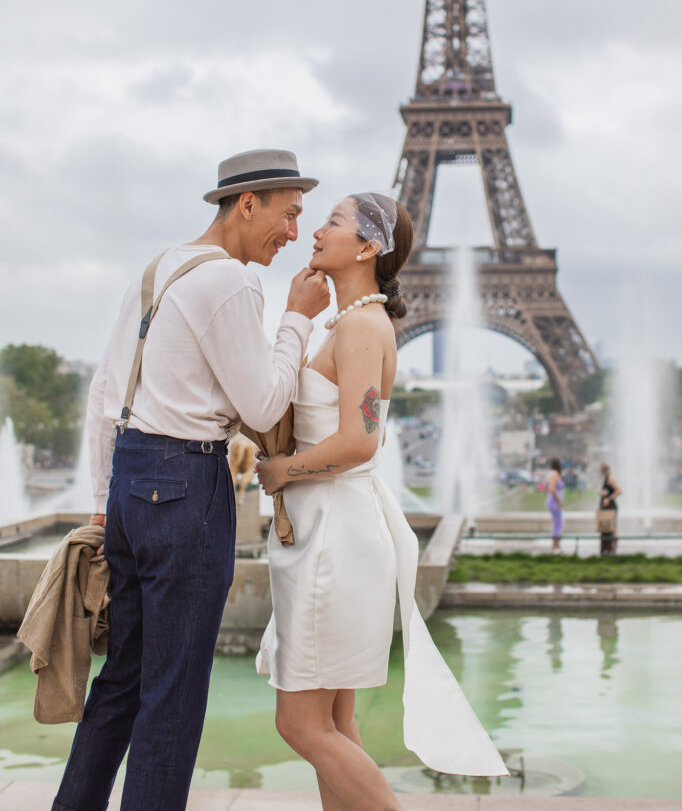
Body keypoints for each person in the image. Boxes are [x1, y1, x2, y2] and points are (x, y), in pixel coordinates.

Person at [51, 149, 330, 811]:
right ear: (248, 203)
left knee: (120, 681)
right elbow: (263, 406)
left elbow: (103, 395)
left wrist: (99, 504)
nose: (293, 233)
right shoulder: (232, 282)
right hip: (186, 490)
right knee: (172, 697)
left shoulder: (159, 269)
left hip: (130, 481)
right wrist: (297, 318)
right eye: (288, 215)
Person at [256, 193, 508, 811]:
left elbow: (363, 440)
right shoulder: (351, 323)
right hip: (334, 529)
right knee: (335, 720)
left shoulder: (363, 327)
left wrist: (283, 469)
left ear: (368, 247)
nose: (316, 229)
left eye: (333, 222)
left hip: (333, 537)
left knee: (301, 724)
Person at [598, 460, 622, 555]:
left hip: (610, 506)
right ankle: (606, 549)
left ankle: (613, 548)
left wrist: (608, 498)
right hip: (606, 506)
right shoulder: (606, 478)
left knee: (611, 528)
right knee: (606, 527)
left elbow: (619, 490)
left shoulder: (611, 478)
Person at [545, 457, 564, 553]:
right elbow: (552, 489)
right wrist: (559, 500)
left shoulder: (550, 474)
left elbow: (547, 488)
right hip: (554, 502)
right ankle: (555, 547)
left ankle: (557, 546)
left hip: (551, 501)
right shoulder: (555, 475)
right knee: (558, 524)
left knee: (557, 523)